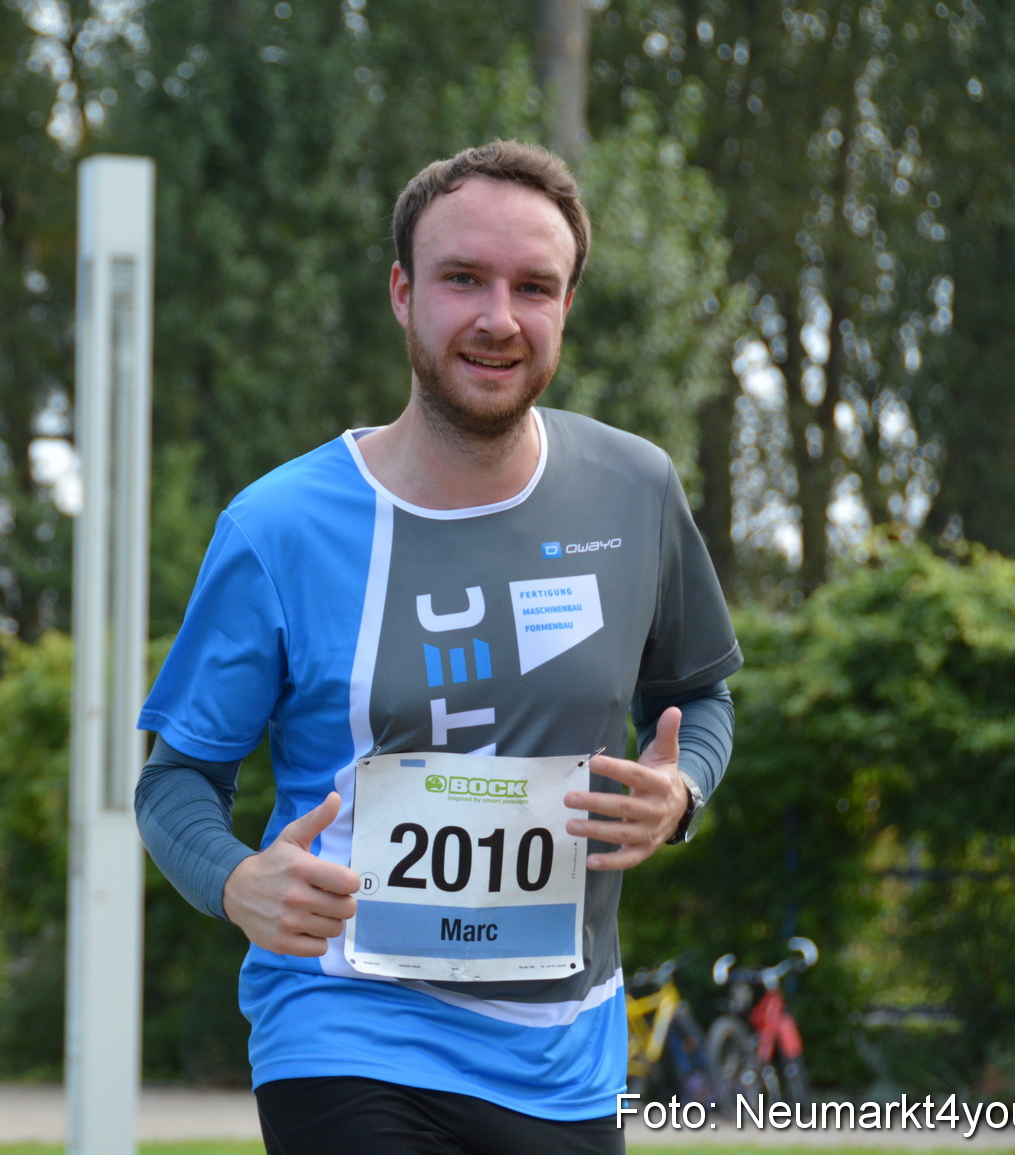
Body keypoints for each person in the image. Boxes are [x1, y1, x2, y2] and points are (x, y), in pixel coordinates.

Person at [135, 140, 742, 1154]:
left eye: (532, 287)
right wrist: (236, 882)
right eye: (463, 278)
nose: (497, 318)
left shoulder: (634, 490)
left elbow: (700, 702)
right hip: (343, 1026)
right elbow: (174, 783)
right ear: (402, 293)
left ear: (565, 307)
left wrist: (681, 796)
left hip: (566, 1050)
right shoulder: (278, 525)